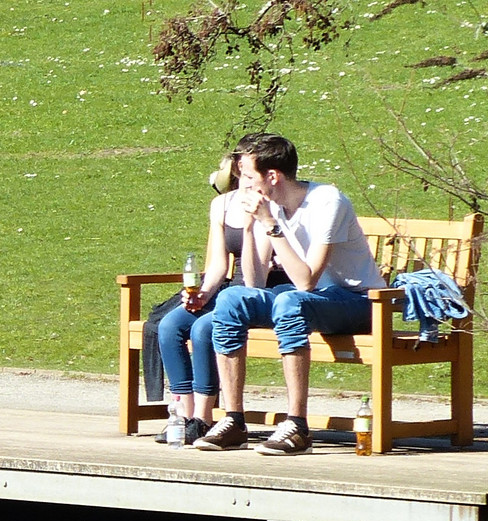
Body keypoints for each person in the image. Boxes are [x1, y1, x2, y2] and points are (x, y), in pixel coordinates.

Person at [192, 133, 386, 455]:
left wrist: (269, 222)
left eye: (250, 178)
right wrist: (253, 227)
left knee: (288, 301)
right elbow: (253, 283)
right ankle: (234, 420)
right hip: (310, 302)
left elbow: (307, 281)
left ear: (272, 176)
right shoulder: (272, 207)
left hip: (360, 301)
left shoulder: (328, 202)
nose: (244, 186)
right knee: (231, 299)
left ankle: (297, 425)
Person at [153, 153, 277, 446]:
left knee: (203, 328)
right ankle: (184, 414)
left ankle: (204, 418)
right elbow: (220, 265)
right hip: (230, 290)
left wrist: (250, 225)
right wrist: (203, 293)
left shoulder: (269, 209)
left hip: (261, 291)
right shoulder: (222, 205)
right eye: (241, 174)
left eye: (249, 175)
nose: (245, 182)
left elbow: (255, 277)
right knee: (170, 325)